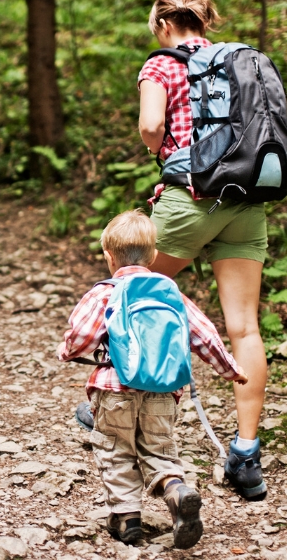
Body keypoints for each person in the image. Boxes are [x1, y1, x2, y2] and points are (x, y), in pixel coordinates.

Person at [137, 0, 287, 501]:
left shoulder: (160, 65)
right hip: (247, 203)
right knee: (245, 328)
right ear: (206, 21)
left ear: (164, 24)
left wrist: (158, 147)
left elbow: (150, 124)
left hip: (189, 198)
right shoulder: (242, 62)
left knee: (133, 292)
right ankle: (246, 456)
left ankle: (114, 406)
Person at [57, 210, 248, 547]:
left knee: (115, 450)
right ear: (155, 255)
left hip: (114, 389)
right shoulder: (169, 292)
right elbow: (205, 334)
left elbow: (81, 335)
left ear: (108, 256)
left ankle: (127, 518)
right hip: (164, 391)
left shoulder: (105, 292)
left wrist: (66, 351)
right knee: (159, 449)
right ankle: (175, 489)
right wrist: (230, 369)